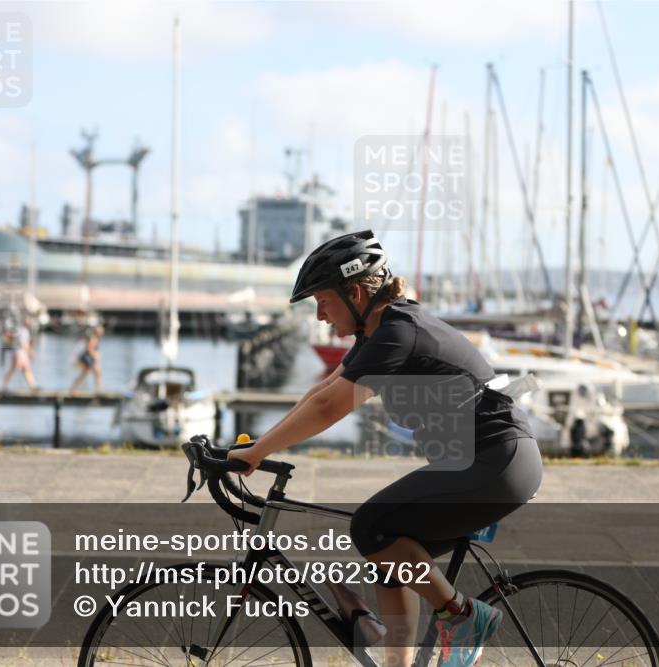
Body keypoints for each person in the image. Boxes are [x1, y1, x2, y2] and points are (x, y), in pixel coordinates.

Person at [228, 230, 542, 667]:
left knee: (371, 526)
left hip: (496, 460)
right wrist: (251, 448)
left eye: (322, 302)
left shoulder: (399, 333)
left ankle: (462, 614)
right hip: (486, 460)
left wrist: (257, 452)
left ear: (354, 292)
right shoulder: (379, 333)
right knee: (387, 556)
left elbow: (327, 408)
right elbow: (322, 390)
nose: (319, 316)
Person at [2, 317, 37, 390]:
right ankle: (33, 386)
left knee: (21, 369)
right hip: (20, 354)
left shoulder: (21, 330)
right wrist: (31, 352)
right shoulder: (24, 331)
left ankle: (33, 386)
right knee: (24, 369)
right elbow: (23, 344)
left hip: (18, 353)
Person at [71, 325, 104, 392]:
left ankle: (73, 388)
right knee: (97, 372)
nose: (102, 333)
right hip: (83, 357)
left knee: (85, 373)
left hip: (84, 357)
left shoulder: (95, 338)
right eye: (101, 331)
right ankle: (99, 389)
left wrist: (96, 356)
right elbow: (89, 349)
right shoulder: (93, 338)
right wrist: (96, 355)